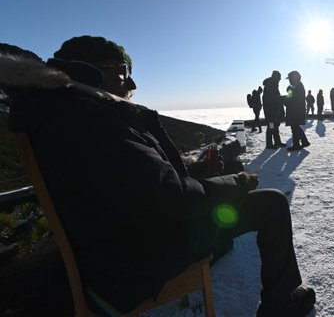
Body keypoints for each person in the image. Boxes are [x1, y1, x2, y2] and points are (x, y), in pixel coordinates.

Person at [0, 37, 316, 317]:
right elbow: (174, 199)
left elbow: (137, 184)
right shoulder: (94, 121)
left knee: (228, 209)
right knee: (271, 204)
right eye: (123, 70)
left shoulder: (65, 118)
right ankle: (282, 304)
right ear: (93, 72)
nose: (131, 83)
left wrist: (191, 171)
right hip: (134, 260)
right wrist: (238, 182)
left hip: (114, 247)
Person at [283, 71, 310, 151]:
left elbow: (291, 99)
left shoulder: (296, 86)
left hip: (295, 111)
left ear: (294, 78)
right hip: (297, 110)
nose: (289, 81)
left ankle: (296, 145)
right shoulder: (298, 85)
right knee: (296, 127)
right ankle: (305, 142)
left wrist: (284, 100)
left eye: (290, 79)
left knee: (294, 128)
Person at [262, 70, 286, 149]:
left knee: (275, 127)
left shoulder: (273, 85)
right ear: (275, 77)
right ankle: (269, 144)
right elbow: (273, 100)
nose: (280, 79)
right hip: (271, 112)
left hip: (274, 112)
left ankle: (277, 142)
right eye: (279, 77)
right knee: (271, 127)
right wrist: (283, 98)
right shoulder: (270, 86)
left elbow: (276, 99)